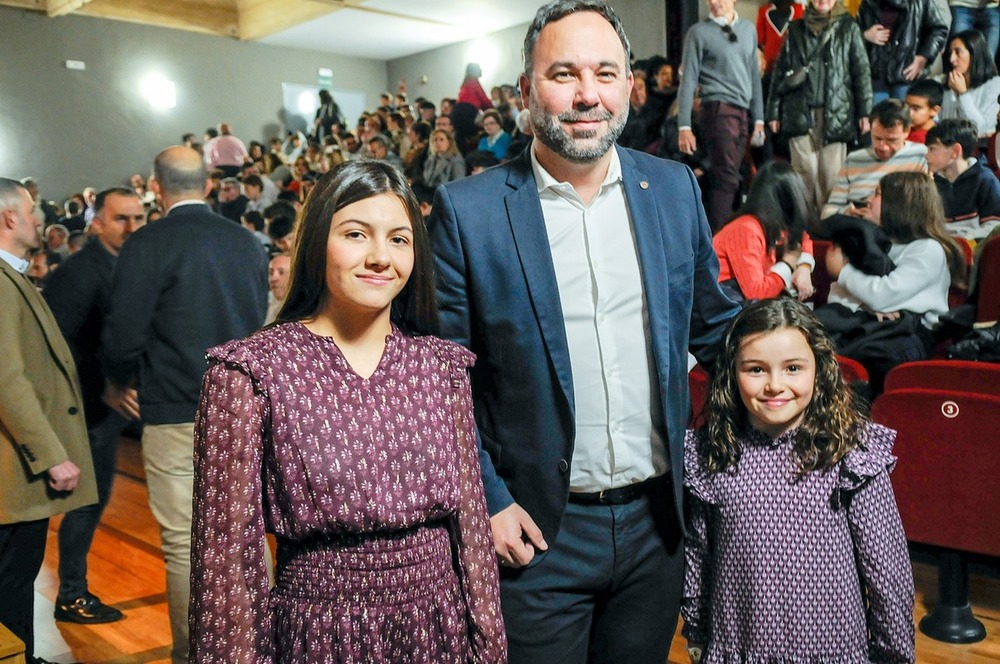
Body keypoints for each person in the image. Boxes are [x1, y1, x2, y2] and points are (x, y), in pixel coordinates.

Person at [428, 2, 742, 661]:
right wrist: (484, 498)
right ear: (525, 91)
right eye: (563, 73)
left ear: (630, 86)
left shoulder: (675, 188)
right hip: (537, 533)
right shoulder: (468, 211)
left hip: (658, 525)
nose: (586, 94)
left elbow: (718, 331)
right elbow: (439, 382)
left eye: (605, 73)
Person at [189, 160, 506, 662]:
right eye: (357, 234)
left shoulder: (442, 367)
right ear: (317, 241)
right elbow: (227, 565)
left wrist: (487, 648)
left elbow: (470, 530)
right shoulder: (248, 373)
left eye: (400, 240)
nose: (381, 257)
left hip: (438, 629)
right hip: (322, 633)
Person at [681, 297, 915, 663]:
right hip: (737, 647)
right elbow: (699, 551)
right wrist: (696, 629)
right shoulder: (713, 451)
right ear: (732, 373)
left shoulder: (850, 452)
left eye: (793, 368)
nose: (775, 385)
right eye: (756, 369)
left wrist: (895, 654)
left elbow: (887, 568)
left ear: (818, 370)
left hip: (831, 651)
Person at [104, 146, 268, 663]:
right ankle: (264, 647)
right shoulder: (247, 242)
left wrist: (117, 380)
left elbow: (123, 336)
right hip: (243, 410)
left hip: (176, 409)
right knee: (250, 534)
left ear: (156, 186)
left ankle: (193, 655)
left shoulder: (147, 243)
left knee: (184, 545)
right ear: (210, 183)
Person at [0, 177, 97, 664]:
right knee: (12, 579)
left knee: (15, 578)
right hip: (14, 467)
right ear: (9, 218)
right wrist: (52, 455)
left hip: (14, 464)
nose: (39, 220)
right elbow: (7, 381)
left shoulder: (12, 275)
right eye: (32, 211)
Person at [44, 187, 145, 625]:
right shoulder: (80, 271)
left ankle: (71, 591)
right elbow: (57, 345)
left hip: (105, 404)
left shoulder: (129, 264)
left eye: (138, 218)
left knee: (93, 498)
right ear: (97, 222)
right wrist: (104, 385)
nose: (131, 227)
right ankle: (71, 593)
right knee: (85, 500)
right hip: (83, 406)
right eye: (121, 218)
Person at [824, 171, 967, 386]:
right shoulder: (872, 241)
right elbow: (836, 294)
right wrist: (866, 302)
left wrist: (843, 273)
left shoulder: (928, 249)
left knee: (874, 357)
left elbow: (882, 295)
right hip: (866, 324)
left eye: (878, 194)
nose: (869, 200)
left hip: (911, 333)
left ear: (900, 203)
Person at [766, 0, 872, 221]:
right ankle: (802, 231)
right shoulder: (795, 28)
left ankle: (828, 229)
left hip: (836, 113)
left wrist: (865, 112)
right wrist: (773, 112)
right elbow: (780, 74)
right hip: (798, 112)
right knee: (804, 171)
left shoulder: (849, 27)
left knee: (830, 176)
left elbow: (861, 72)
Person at [677, 0, 767, 230]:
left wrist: (759, 119)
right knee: (726, 179)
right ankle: (717, 244)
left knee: (729, 179)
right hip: (717, 110)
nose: (714, 2)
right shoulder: (698, 32)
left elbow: (754, 78)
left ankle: (718, 240)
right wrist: (684, 126)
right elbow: (688, 80)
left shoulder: (748, 29)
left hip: (742, 112)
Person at [713, 161, 816, 302]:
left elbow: (802, 237)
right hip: (723, 306)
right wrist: (787, 265)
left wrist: (804, 267)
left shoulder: (769, 225)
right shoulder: (747, 228)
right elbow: (755, 293)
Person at [821, 99, 927, 221]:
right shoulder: (854, 160)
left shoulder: (921, 156)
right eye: (877, 138)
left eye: (891, 140)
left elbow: (926, 207)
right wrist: (848, 212)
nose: (883, 147)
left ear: (907, 131)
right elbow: (828, 211)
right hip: (859, 225)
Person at [857, 0, 948, 103]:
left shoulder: (921, 2)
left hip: (907, 75)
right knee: (878, 117)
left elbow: (938, 30)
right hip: (876, 75)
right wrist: (865, 36)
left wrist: (924, 57)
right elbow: (851, 33)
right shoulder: (868, 3)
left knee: (905, 116)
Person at [926, 118, 1000, 240]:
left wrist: (966, 238)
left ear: (955, 151)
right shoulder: (932, 182)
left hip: (974, 246)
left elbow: (994, 226)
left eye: (932, 149)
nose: (926, 155)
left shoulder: (985, 180)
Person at [940, 29, 1000, 137]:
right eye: (951, 53)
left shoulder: (995, 84)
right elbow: (945, 123)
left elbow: (981, 129)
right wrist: (951, 92)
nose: (952, 59)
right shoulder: (950, 82)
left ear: (974, 53)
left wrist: (963, 94)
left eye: (958, 52)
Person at [904, 78, 943, 143]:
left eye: (916, 109)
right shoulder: (907, 130)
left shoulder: (926, 140)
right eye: (907, 107)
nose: (909, 113)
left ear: (934, 110)